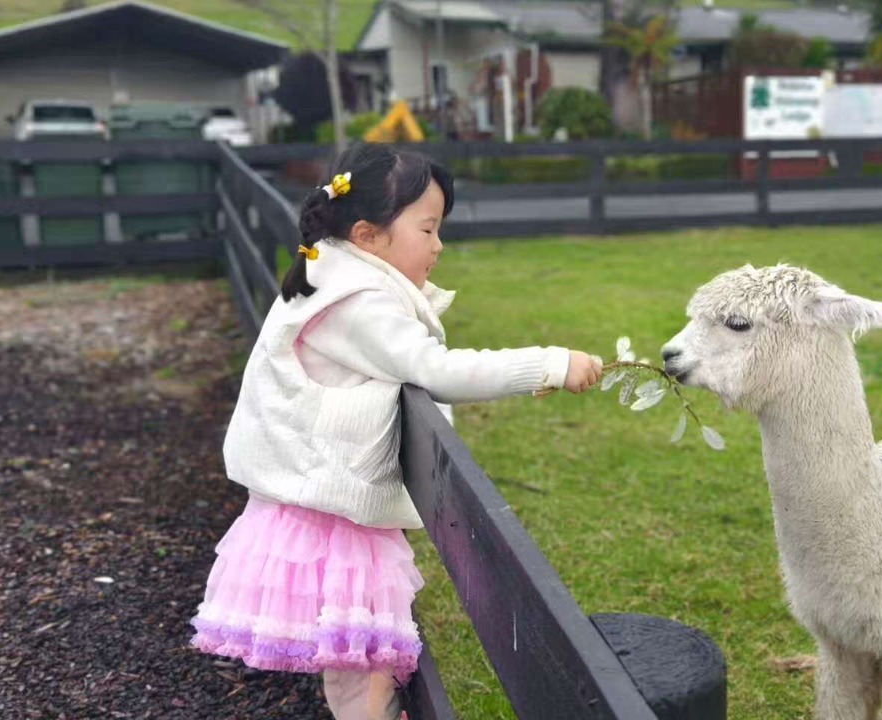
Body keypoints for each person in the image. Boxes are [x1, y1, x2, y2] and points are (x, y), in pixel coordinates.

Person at [189, 144, 603, 720]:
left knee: (357, 659)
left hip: (321, 501)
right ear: (367, 235)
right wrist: (551, 363)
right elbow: (438, 370)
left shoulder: (331, 274)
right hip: (335, 516)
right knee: (360, 665)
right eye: (428, 229)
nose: (439, 245)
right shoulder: (357, 304)